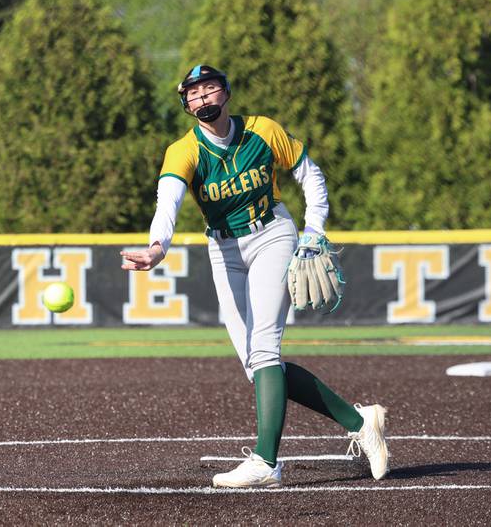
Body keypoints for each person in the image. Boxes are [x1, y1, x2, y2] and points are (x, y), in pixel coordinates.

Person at [120, 65, 389, 488]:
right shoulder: (183, 150)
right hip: (223, 247)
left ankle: (266, 462)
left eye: (210, 89)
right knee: (257, 363)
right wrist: (158, 247)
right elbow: (167, 201)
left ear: (226, 94)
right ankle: (360, 421)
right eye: (194, 93)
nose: (203, 98)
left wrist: (313, 232)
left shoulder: (262, 130)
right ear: (185, 103)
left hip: (272, 233)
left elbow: (311, 176)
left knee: (265, 349)